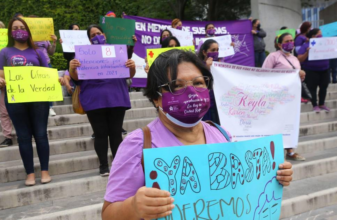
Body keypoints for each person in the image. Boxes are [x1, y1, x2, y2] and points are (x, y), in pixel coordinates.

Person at [101, 50, 294, 220]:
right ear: (156, 98)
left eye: (199, 82)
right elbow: (109, 214)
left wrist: (274, 175)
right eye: (177, 85)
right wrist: (134, 207)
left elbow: (243, 188)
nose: (192, 91)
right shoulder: (138, 145)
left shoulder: (221, 134)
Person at [0, 17, 65, 186]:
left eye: (22, 27)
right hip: (15, 99)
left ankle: (44, 171)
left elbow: (47, 74)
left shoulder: (38, 52)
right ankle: (29, 173)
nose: (19, 30)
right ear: (10, 32)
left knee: (41, 134)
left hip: (38, 99)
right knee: (23, 136)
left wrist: (58, 80)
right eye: (15, 27)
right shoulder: (4, 52)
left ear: (27, 30)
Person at [68, 24, 136, 176]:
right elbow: (76, 78)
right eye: (92, 35)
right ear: (89, 39)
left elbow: (129, 75)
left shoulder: (118, 51)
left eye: (98, 33)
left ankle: (118, 165)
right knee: (100, 133)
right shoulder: (82, 54)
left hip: (116, 98)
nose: (96, 36)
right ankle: (103, 165)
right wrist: (72, 68)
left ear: (104, 34)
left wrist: (131, 66)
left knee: (116, 133)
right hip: (94, 100)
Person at [262, 33, 306, 161]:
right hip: (275, 97)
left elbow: (296, 79)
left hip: (291, 98)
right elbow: (264, 74)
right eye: (287, 41)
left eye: (292, 40)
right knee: (275, 124)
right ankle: (273, 152)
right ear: (280, 44)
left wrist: (301, 75)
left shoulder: (295, 59)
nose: (290, 42)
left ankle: (290, 151)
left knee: (289, 124)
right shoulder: (273, 56)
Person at [28, 15, 58, 116]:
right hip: (32, 64)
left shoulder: (45, 37)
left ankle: (50, 107)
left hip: (46, 63)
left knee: (48, 85)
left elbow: (51, 52)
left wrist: (54, 42)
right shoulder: (27, 38)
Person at [298, 28, 330, 113]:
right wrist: (307, 53)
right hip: (311, 71)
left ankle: (321, 104)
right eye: (319, 34)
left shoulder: (325, 44)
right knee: (312, 88)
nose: (321, 36)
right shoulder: (306, 46)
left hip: (325, 70)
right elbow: (299, 59)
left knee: (324, 87)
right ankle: (314, 105)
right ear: (313, 36)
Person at [198, 39, 221, 124]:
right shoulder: (199, 66)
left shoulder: (219, 65)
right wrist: (207, 68)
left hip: (218, 105)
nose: (216, 52)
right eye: (213, 50)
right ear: (204, 52)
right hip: (207, 106)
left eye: (217, 50)